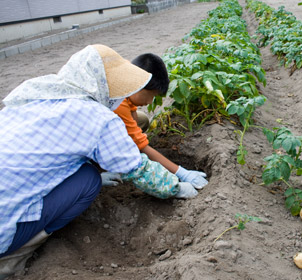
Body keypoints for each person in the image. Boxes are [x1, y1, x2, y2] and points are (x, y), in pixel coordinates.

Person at [0, 44, 206, 279]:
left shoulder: (36, 92)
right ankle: (12, 257)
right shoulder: (98, 118)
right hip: (4, 228)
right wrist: (176, 186)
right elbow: (137, 170)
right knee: (88, 180)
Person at [105, 53, 208, 190]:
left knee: (141, 120)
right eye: (152, 95)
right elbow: (141, 146)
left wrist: (137, 135)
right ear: (139, 86)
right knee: (131, 144)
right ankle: (100, 166)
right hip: (89, 134)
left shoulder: (130, 75)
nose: (150, 102)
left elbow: (133, 111)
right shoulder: (118, 103)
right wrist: (181, 173)